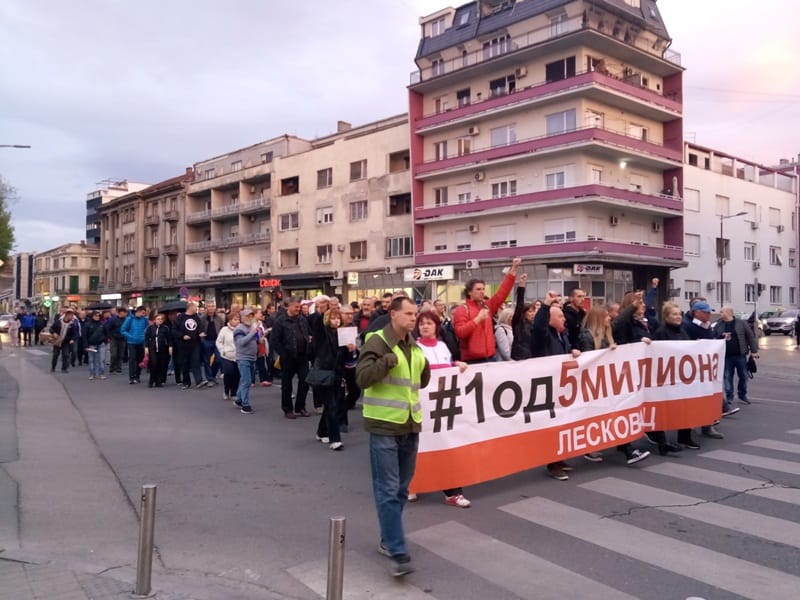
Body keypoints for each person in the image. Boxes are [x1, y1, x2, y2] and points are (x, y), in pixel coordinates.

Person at [356, 296, 430, 577]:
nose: (414, 318)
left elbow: (420, 381)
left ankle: (388, 539)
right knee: (388, 490)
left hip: (410, 425)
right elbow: (362, 378)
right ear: (394, 315)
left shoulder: (413, 345)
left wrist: (426, 370)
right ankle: (398, 552)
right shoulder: (377, 341)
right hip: (384, 425)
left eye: (416, 314)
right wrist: (385, 362)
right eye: (409, 314)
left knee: (401, 489)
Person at [412, 309, 471, 507]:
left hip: (444, 404)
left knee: (445, 445)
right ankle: (412, 483)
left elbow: (446, 366)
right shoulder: (414, 348)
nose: (425, 326)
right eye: (422, 323)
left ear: (437, 326)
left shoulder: (444, 346)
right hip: (422, 404)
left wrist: (456, 365)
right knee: (419, 446)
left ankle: (452, 491)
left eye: (429, 323)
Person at [453, 257, 521, 363]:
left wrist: (514, 269)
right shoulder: (462, 310)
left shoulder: (487, 306)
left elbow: (502, 293)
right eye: (478, 289)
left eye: (483, 289)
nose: (482, 292)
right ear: (469, 292)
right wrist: (477, 319)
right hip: (473, 361)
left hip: (490, 357)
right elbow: (460, 333)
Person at [645, 302, 688, 456]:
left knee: (684, 405)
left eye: (679, 314)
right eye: (674, 314)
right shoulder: (661, 333)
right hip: (663, 378)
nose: (678, 317)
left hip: (680, 377)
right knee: (661, 409)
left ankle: (685, 437)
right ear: (666, 316)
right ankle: (662, 442)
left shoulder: (683, 331)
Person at [682, 299, 723, 444]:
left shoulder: (707, 326)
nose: (708, 315)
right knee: (693, 397)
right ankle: (691, 425)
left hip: (706, 367)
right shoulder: (687, 326)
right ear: (697, 313)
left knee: (708, 396)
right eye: (705, 313)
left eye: (708, 313)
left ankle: (708, 424)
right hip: (692, 368)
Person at [310, 307, 346, 451]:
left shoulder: (343, 334)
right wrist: (321, 310)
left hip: (337, 373)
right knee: (331, 406)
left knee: (333, 405)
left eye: (338, 318)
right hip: (324, 372)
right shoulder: (323, 333)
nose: (336, 320)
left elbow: (344, 356)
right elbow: (317, 325)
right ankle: (335, 439)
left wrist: (350, 349)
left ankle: (321, 431)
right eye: (333, 317)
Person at [271, 296, 312, 419]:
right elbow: (274, 340)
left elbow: (308, 332)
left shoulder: (302, 319)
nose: (298, 309)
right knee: (287, 384)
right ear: (289, 306)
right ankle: (287, 409)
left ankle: (300, 407)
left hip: (303, 355)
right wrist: (283, 354)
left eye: (299, 307)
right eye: (296, 307)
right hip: (288, 356)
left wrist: (309, 340)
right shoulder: (281, 321)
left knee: (305, 381)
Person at [717, 306, 759, 408]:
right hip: (726, 356)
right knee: (727, 376)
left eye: (722, 312)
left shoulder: (741, 323)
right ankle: (729, 396)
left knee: (744, 376)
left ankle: (742, 393)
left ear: (729, 313)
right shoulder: (719, 325)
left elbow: (750, 337)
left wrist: (754, 351)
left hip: (740, 355)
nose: (720, 314)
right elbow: (714, 337)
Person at [233, 308, 259, 414]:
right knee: (247, 381)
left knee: (245, 381)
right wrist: (252, 333)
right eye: (248, 316)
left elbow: (256, 339)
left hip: (252, 357)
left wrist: (260, 335)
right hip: (243, 358)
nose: (250, 318)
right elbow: (240, 343)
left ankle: (239, 399)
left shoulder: (252, 327)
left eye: (251, 316)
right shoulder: (239, 329)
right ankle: (245, 405)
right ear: (242, 317)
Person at [175, 302, 204, 389]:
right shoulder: (180, 317)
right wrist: (182, 336)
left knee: (196, 361)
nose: (197, 309)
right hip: (183, 344)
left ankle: (199, 381)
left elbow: (199, 327)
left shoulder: (196, 317)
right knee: (184, 363)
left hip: (195, 343)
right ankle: (186, 382)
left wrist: (200, 333)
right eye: (196, 307)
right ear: (190, 308)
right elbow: (174, 330)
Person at [216, 311, 240, 401]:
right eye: (235, 319)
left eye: (238, 319)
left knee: (236, 375)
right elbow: (219, 342)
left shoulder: (241, 329)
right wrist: (222, 351)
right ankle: (226, 391)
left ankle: (234, 392)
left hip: (238, 356)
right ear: (230, 320)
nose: (237, 321)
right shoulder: (224, 330)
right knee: (229, 373)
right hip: (227, 355)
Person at [198, 301, 224, 387]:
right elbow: (200, 330)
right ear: (206, 308)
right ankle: (210, 379)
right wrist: (202, 339)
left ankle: (212, 375)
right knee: (207, 361)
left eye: (213, 306)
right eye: (209, 306)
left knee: (218, 359)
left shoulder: (219, 318)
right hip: (207, 341)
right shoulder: (202, 318)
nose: (211, 308)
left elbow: (222, 328)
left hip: (217, 341)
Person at [121, 306, 149, 384]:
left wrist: (145, 336)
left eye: (144, 313)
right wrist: (131, 336)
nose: (144, 315)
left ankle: (137, 376)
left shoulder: (144, 319)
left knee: (140, 360)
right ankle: (131, 377)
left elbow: (148, 328)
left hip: (141, 342)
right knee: (132, 360)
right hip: (131, 343)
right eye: (143, 313)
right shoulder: (129, 319)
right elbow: (122, 330)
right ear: (138, 311)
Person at [144, 313, 173, 388]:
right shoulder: (150, 328)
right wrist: (146, 347)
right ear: (154, 320)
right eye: (158, 319)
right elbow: (147, 338)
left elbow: (169, 338)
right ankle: (151, 380)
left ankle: (158, 381)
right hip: (153, 348)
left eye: (161, 319)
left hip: (162, 348)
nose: (160, 321)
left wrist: (170, 347)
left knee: (161, 365)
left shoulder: (165, 328)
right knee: (154, 364)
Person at [511, 274, 534, 361]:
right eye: (530, 311)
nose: (532, 314)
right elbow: (519, 306)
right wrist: (521, 286)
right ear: (524, 313)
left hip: (532, 357)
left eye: (533, 311)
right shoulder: (518, 323)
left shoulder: (533, 324)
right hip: (520, 358)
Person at [83, 310, 108, 380]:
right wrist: (86, 345)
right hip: (91, 344)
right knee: (91, 360)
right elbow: (85, 335)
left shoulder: (103, 324)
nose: (97, 317)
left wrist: (105, 340)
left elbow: (106, 333)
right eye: (96, 316)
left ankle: (101, 374)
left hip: (101, 343)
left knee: (102, 359)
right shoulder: (87, 325)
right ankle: (92, 374)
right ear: (92, 316)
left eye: (98, 316)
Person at [50, 308, 77, 372]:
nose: (72, 317)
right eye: (70, 315)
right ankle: (53, 367)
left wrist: (72, 339)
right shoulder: (58, 322)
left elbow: (74, 333)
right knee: (55, 355)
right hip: (57, 341)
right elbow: (51, 329)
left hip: (66, 342)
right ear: (66, 315)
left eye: (72, 315)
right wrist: (54, 333)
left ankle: (64, 368)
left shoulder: (72, 324)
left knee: (65, 355)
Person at [107, 307, 128, 374]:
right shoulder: (113, 320)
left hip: (123, 339)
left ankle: (119, 367)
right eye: (125, 313)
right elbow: (108, 329)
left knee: (120, 354)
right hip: (114, 339)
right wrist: (110, 337)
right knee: (114, 354)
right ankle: (112, 367)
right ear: (121, 313)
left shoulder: (126, 320)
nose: (126, 314)